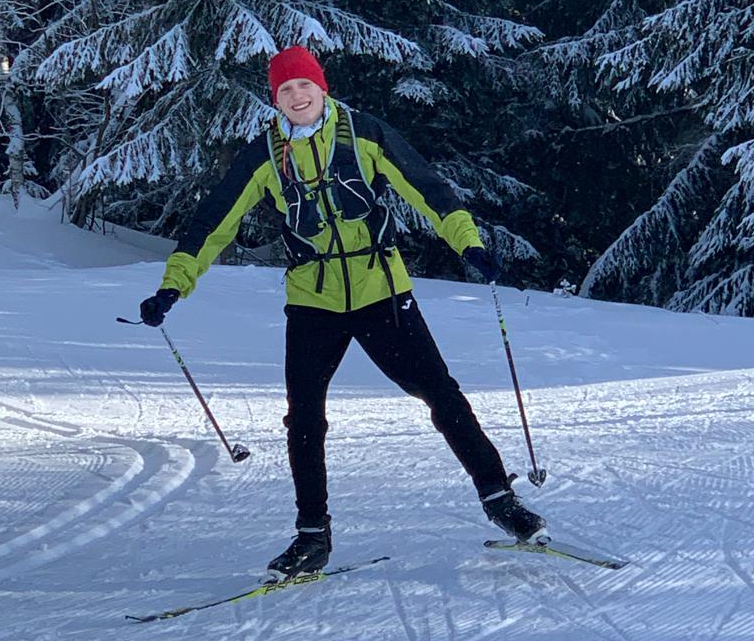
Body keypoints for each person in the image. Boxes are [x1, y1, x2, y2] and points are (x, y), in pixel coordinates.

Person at [140, 46, 546, 578]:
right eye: (286, 89)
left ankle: (500, 500)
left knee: (441, 394)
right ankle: (312, 537)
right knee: (304, 418)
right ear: (275, 99)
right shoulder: (265, 155)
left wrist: (467, 243)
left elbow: (428, 190)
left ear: (322, 87)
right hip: (313, 302)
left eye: (304, 85)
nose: (297, 96)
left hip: (383, 293)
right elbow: (213, 223)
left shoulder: (364, 134)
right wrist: (173, 287)